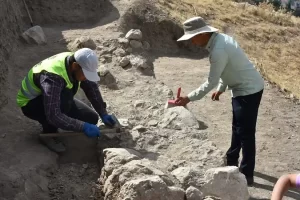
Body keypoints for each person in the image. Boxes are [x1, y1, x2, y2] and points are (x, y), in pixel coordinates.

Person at [175, 17, 264, 186]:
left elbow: (211, 81)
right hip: (240, 88)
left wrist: (188, 98)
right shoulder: (220, 40)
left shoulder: (218, 49)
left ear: (203, 33)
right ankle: (231, 159)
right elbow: (229, 67)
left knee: (245, 132)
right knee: (238, 126)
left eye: (193, 37)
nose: (192, 42)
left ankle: (247, 174)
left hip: (249, 90)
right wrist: (222, 88)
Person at [16, 48, 116, 153]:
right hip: (31, 103)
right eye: (85, 74)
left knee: (91, 118)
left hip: (57, 96)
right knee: (62, 106)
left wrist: (103, 113)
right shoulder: (52, 78)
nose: (86, 78)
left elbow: (91, 87)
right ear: (75, 66)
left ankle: (63, 120)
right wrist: (82, 127)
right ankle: (49, 134)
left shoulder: (77, 61)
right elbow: (53, 115)